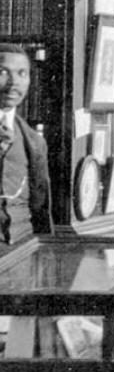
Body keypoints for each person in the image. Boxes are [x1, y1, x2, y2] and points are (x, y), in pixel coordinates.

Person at [0, 44, 50, 249]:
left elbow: (40, 208)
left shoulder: (34, 141)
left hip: (22, 250)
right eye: (3, 72)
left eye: (22, 73)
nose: (13, 83)